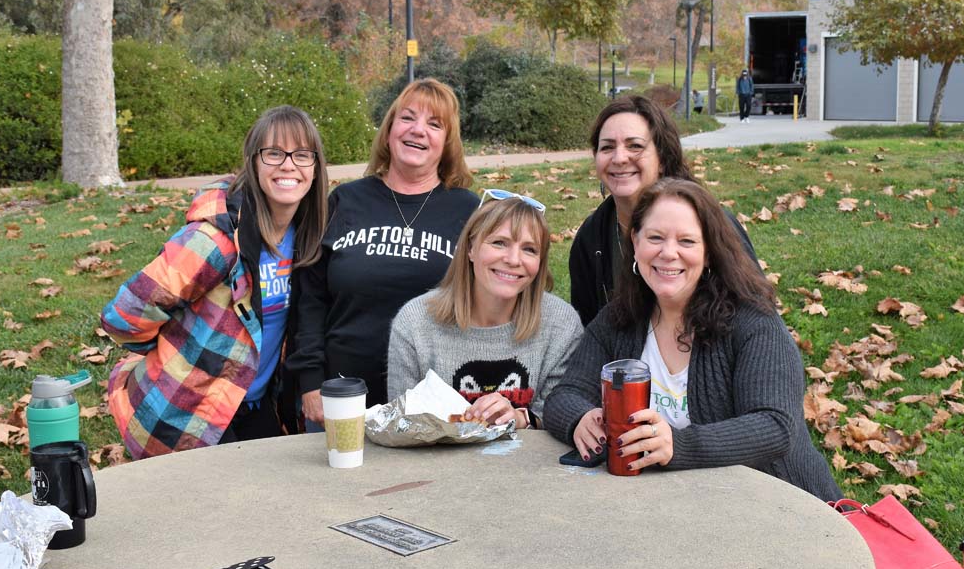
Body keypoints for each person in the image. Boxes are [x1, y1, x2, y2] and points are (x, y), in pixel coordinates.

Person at [546, 178, 841, 501]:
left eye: (686, 241)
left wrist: (677, 445)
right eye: (655, 238)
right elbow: (566, 393)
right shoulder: (620, 319)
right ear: (635, 241)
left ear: (710, 252)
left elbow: (774, 427)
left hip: (780, 506)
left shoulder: (753, 322)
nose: (668, 253)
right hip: (674, 510)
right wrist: (580, 419)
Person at [101, 105, 328, 458]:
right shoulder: (215, 241)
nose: (288, 165)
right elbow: (124, 315)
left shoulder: (307, 241)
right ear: (253, 163)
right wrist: (173, 356)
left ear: (315, 168)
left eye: (301, 154)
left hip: (256, 409)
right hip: (188, 418)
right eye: (273, 153)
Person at [286, 78, 479, 424]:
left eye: (434, 124)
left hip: (434, 404)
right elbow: (310, 300)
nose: (418, 130)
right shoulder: (344, 202)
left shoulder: (467, 211)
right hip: (342, 397)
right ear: (389, 130)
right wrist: (310, 384)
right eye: (407, 118)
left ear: (447, 143)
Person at [386, 191, 582, 429]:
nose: (513, 259)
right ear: (470, 248)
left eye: (529, 249)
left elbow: (561, 411)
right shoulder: (415, 322)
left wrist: (520, 417)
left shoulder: (561, 323)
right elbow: (402, 421)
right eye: (499, 243)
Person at [567, 95, 756, 326]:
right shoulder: (591, 237)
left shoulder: (711, 223)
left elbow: (757, 317)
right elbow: (587, 329)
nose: (619, 158)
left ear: (663, 158)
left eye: (634, 146)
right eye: (607, 147)